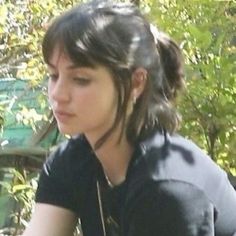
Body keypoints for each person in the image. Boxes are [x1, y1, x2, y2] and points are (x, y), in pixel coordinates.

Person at [22, 1, 236, 235]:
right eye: (54, 75)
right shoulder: (73, 162)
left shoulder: (168, 187)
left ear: (136, 82)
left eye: (80, 79)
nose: (57, 94)